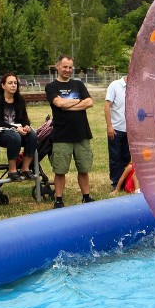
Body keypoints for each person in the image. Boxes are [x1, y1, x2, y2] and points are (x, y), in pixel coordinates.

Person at [45, 55, 94, 208]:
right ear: (57, 66)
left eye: (70, 67)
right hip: (62, 135)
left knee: (84, 168)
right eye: (65, 67)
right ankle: (58, 199)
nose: (67, 70)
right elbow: (58, 103)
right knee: (60, 170)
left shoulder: (78, 84)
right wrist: (80, 102)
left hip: (82, 133)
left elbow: (90, 102)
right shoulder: (51, 87)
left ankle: (86, 197)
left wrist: (68, 105)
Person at [0, 72, 37, 181]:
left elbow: (24, 118)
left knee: (32, 134)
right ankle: (12, 170)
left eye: (15, 83)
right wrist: (14, 128)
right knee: (15, 136)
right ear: (3, 85)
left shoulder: (19, 100)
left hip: (16, 130)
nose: (13, 85)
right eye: (10, 83)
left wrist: (26, 126)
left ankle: (25, 168)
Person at [104, 74, 130, 191]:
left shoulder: (137, 87)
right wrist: (109, 126)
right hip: (116, 129)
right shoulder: (115, 85)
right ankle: (115, 183)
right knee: (115, 158)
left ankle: (125, 182)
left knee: (127, 157)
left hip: (130, 130)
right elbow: (107, 106)